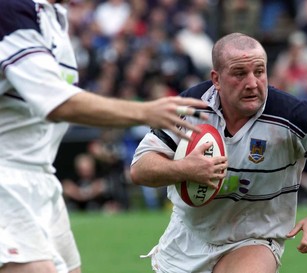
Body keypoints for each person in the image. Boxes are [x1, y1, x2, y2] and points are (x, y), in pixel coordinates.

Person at [0, 1, 208, 273]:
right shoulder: (10, 10)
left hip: (40, 178)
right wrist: (145, 111)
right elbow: (58, 102)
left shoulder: (54, 19)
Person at [130, 32, 307, 273]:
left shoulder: (292, 114)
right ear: (217, 79)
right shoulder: (188, 107)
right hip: (189, 238)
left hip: (255, 238)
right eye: (239, 73)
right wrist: (185, 169)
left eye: (259, 72)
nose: (252, 83)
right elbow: (140, 169)